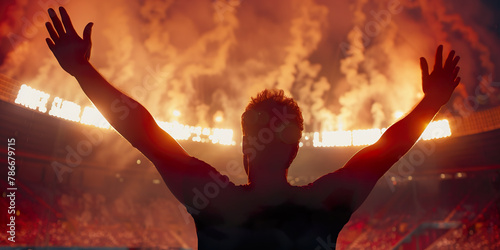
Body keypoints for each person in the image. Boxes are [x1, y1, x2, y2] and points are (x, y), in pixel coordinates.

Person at [45, 7, 461, 250]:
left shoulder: (213, 198)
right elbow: (387, 150)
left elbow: (142, 130)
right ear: (296, 149)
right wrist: (430, 103)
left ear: (245, 145)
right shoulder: (325, 201)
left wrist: (82, 70)